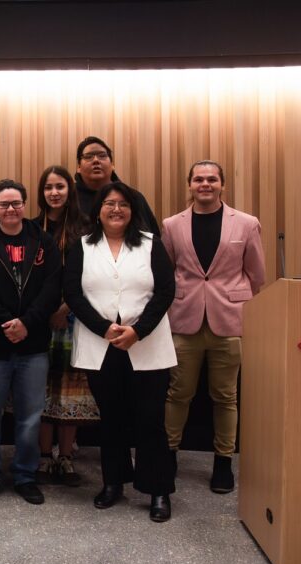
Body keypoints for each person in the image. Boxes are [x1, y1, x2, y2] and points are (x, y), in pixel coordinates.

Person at [64, 181, 177, 522]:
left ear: (132, 210)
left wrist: (137, 331)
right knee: (110, 419)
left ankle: (158, 489)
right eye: (109, 203)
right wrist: (103, 328)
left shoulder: (150, 244)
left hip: (146, 343)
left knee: (150, 419)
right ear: (97, 211)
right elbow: (72, 293)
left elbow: (165, 292)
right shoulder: (82, 247)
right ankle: (113, 482)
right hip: (102, 344)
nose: (116, 209)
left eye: (123, 204)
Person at [163, 160, 265, 493]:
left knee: (225, 397)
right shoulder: (172, 225)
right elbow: (165, 272)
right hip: (183, 319)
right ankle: (169, 455)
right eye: (198, 179)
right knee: (178, 394)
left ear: (222, 185)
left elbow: (257, 275)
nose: (205, 184)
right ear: (189, 185)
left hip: (229, 320)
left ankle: (223, 462)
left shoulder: (247, 224)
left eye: (211, 179)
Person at [0, 179, 61, 505]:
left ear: (25, 204)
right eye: (3, 204)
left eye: (16, 203)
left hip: (32, 344)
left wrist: (26, 323)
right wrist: (7, 322)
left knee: (30, 415)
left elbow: (52, 289)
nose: (10, 209)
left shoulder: (43, 241)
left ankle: (25, 474)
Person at [31, 166, 98, 486]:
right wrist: (46, 309)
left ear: (69, 191)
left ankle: (67, 456)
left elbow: (91, 276)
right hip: (40, 318)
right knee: (43, 386)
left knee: (70, 388)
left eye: (60, 187)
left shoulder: (85, 229)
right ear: (41, 192)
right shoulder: (31, 228)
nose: (54, 193)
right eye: (48, 188)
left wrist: (66, 307)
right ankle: (44, 456)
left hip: (75, 318)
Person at [74, 136, 159, 235]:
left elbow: (151, 239)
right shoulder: (68, 198)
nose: (96, 160)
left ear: (112, 165)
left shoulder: (132, 197)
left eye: (102, 155)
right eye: (88, 156)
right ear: (78, 167)